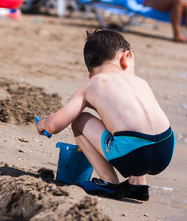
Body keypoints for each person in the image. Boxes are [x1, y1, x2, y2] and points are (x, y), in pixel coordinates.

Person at [36, 30, 176, 201]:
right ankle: (138, 185)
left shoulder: (92, 84)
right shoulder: (141, 82)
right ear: (125, 59)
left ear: (90, 76)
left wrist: (44, 123)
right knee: (126, 125)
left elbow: (54, 126)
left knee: (79, 120)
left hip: (133, 155)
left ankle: (109, 182)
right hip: (165, 150)